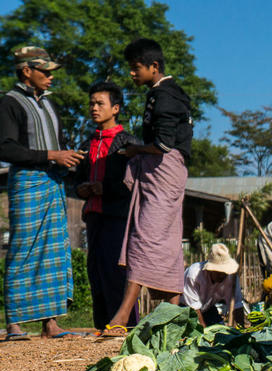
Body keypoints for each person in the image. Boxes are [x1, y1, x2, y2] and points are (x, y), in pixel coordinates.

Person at [99, 38, 192, 336]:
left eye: (135, 68)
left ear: (154, 66)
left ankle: (122, 315)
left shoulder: (165, 96)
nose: (131, 73)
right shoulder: (165, 93)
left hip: (164, 172)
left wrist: (135, 150)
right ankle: (175, 316)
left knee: (145, 237)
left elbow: (163, 144)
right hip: (165, 174)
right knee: (165, 242)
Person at [0, 46, 85, 340]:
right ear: (27, 71)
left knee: (53, 250)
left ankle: (51, 323)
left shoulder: (49, 103)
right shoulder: (10, 103)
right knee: (23, 249)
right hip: (27, 183)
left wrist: (68, 157)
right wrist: (52, 155)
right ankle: (15, 323)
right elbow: (5, 148)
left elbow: (58, 143)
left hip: (52, 181)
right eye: (44, 71)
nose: (50, 76)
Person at [74, 81, 141, 332]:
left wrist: (106, 188)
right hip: (94, 216)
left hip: (119, 217)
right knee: (95, 271)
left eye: (100, 103)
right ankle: (102, 326)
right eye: (91, 103)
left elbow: (135, 182)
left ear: (115, 108)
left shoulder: (128, 144)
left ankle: (126, 325)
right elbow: (77, 177)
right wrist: (81, 188)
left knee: (118, 271)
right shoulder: (87, 144)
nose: (94, 108)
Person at [182, 243, 245, 326]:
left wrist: (242, 328)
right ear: (210, 269)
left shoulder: (231, 277)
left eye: (224, 272)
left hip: (207, 307)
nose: (222, 275)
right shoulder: (194, 275)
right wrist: (203, 330)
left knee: (220, 329)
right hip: (185, 308)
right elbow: (193, 309)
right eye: (218, 272)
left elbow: (237, 305)